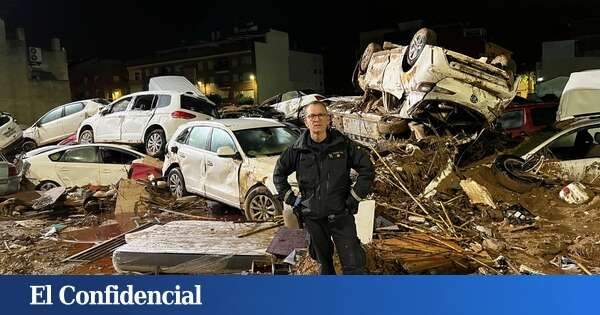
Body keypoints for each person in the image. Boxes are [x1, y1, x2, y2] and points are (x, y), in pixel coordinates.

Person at [273, 101, 375, 275]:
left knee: (353, 265)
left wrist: (354, 198)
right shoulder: (298, 150)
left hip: (341, 216)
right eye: (312, 116)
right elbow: (278, 175)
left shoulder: (343, 145)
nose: (317, 119)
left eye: (321, 115)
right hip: (314, 219)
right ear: (306, 121)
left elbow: (367, 170)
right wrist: (292, 199)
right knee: (325, 267)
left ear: (328, 119)